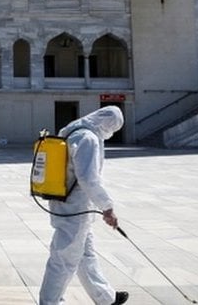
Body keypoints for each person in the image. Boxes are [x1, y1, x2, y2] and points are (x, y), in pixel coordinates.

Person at [39, 106, 128, 305]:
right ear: (107, 124)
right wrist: (107, 207)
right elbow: (89, 179)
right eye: (113, 128)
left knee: (84, 254)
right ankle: (49, 302)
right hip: (76, 208)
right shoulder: (88, 139)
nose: (111, 133)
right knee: (63, 259)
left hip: (65, 202)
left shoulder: (71, 130)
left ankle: (105, 298)